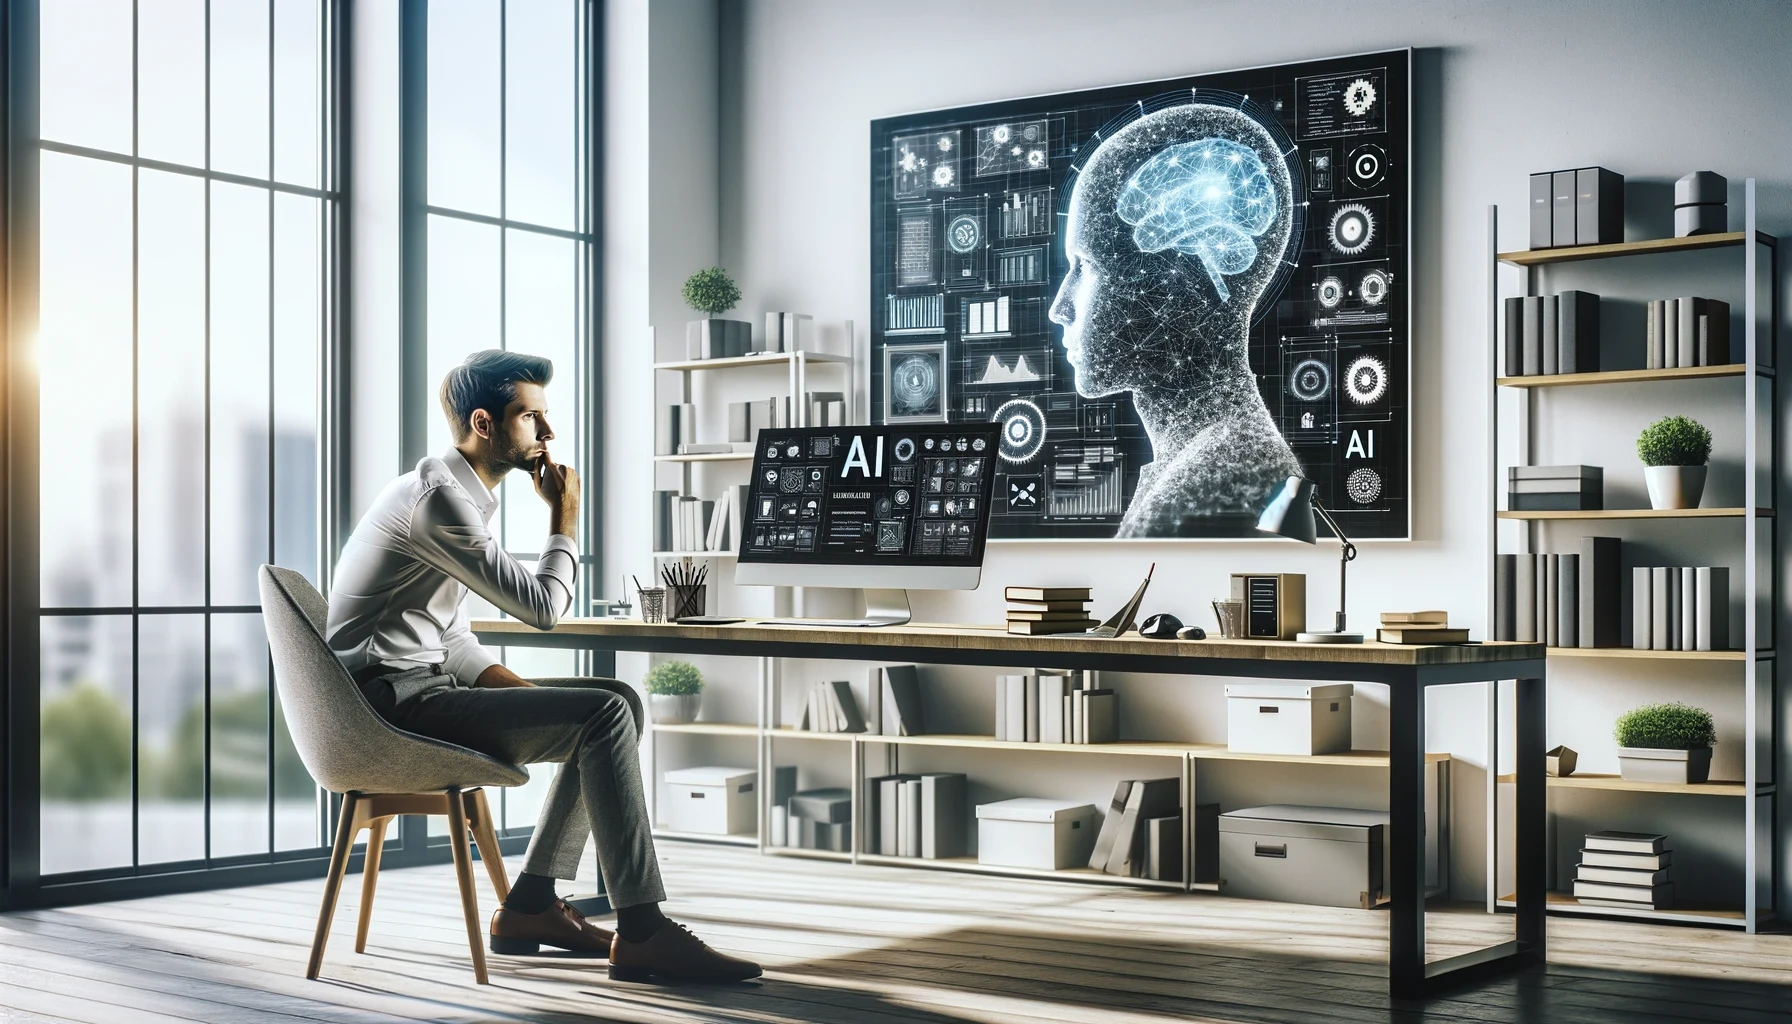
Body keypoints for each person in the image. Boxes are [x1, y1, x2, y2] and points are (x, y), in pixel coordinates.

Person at [325, 349, 759, 983]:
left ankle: (531, 905)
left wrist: (530, 699)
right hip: (391, 709)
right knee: (604, 711)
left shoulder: (451, 498)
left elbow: (451, 639)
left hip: (415, 689)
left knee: (613, 703)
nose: (549, 433)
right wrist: (565, 514)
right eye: (532, 418)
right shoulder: (439, 502)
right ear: (484, 423)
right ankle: (642, 932)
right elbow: (543, 608)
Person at [1048, 103, 1302, 537]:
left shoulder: (1220, 475)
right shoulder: (1214, 458)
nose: (1060, 307)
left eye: (1087, 266)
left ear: (1185, 284)